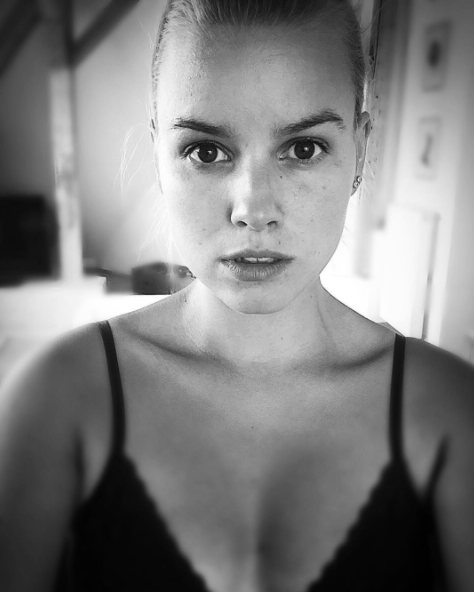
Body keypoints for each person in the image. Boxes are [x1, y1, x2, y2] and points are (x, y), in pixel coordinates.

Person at [1, 1, 473, 590]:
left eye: (303, 148)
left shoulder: (450, 410)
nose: (253, 209)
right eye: (206, 151)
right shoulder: (57, 398)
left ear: (360, 150)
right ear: (159, 151)